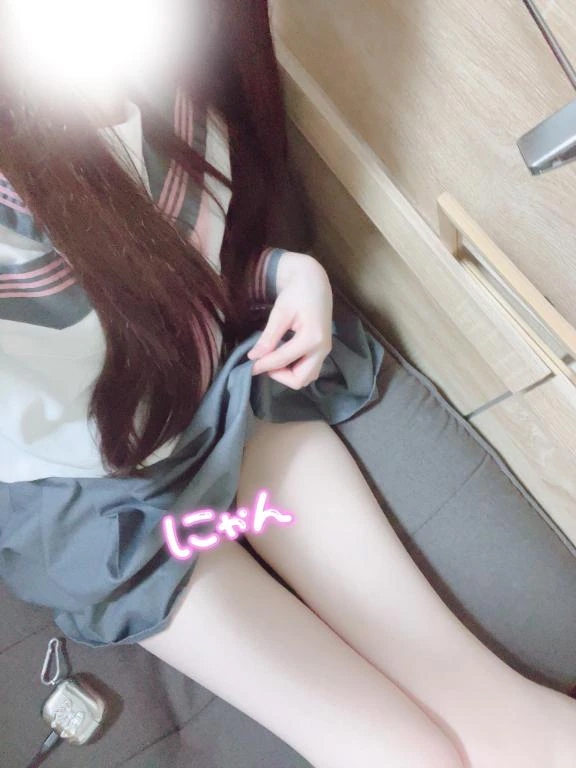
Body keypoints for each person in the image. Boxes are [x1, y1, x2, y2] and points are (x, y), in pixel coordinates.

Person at [0, 2, 575, 767]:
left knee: (490, 705)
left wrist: (285, 272)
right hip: (99, 505)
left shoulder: (166, 49)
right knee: (404, 754)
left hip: (231, 390)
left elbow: (182, 264)